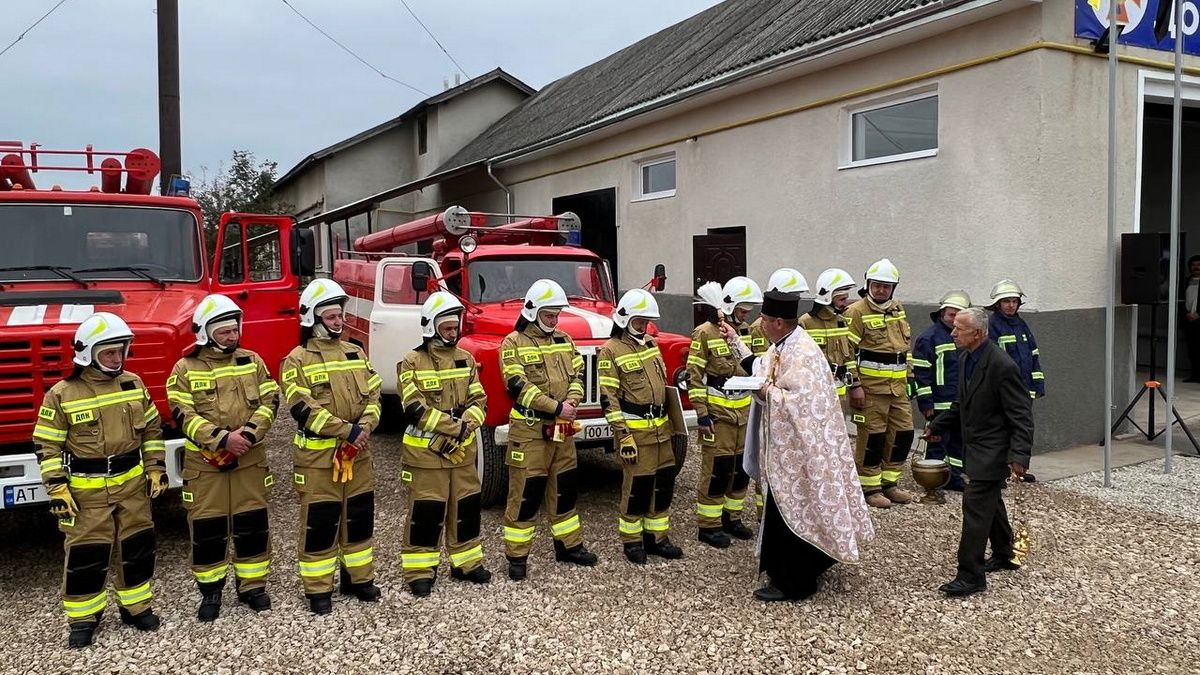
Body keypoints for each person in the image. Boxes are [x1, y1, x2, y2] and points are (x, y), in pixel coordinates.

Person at [727, 291, 874, 601]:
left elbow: (802, 402)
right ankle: (785, 571)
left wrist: (769, 393)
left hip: (803, 454)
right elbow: (761, 366)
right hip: (787, 452)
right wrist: (733, 341)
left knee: (799, 509)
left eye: (765, 320)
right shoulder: (783, 345)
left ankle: (795, 583)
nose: (761, 324)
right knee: (787, 510)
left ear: (779, 322)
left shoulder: (803, 351)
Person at [33, 312, 166, 648]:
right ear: (87, 353)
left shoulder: (133, 384)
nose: (117, 358)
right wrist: (57, 487)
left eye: (121, 351)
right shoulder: (62, 394)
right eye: (109, 352)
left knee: (136, 549)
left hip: (133, 486)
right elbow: (47, 446)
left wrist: (155, 467)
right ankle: (83, 619)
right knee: (87, 556)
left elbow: (152, 431)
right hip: (86, 493)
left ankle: (135, 607)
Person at [167, 294, 280, 621]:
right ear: (205, 332)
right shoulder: (185, 368)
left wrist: (246, 435)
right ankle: (211, 592)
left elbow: (271, 400)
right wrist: (221, 440)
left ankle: (253, 587)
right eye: (225, 332)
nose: (233, 336)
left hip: (249, 459)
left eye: (235, 330)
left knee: (252, 524)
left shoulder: (252, 361)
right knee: (208, 530)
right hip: (206, 466)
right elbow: (181, 412)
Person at [281, 280, 383, 614]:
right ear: (312, 318)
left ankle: (359, 579)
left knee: (358, 517)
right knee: (320, 522)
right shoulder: (296, 359)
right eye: (332, 316)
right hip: (319, 456)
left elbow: (374, 394)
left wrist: (365, 427)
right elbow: (303, 407)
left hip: (358, 452)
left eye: (340, 315)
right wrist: (347, 431)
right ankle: (318, 589)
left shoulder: (355, 351)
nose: (339, 321)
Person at [925, 307, 1033, 597]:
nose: (952, 333)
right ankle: (1004, 552)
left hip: (993, 450)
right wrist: (938, 425)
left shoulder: (1002, 366)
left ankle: (970, 575)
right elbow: (963, 403)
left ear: (978, 333)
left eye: (959, 329)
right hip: (976, 446)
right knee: (990, 502)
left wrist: (1019, 456)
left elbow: (1021, 414)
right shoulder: (965, 357)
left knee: (974, 509)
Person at [498, 280, 598, 581]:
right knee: (525, 493)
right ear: (532, 312)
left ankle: (568, 545)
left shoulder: (564, 340)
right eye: (549, 315)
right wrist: (555, 408)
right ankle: (517, 557)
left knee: (565, 488)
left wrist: (571, 401)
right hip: (530, 431)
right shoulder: (512, 343)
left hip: (561, 430)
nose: (554, 321)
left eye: (556, 315)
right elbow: (517, 387)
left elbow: (579, 374)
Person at [397, 291, 492, 596]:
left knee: (465, 508)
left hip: (461, 452)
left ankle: (466, 563)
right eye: (447, 328)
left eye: (455, 327)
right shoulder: (411, 361)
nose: (453, 332)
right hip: (425, 454)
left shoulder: (466, 358)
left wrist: (467, 425)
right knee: (426, 512)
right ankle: (419, 572)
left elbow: (480, 399)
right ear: (431, 327)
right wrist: (456, 427)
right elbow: (414, 407)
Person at [598, 289, 685, 564]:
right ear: (625, 319)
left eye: (645, 322)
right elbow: (608, 399)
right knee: (637, 488)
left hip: (662, 430)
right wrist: (623, 437)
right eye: (638, 321)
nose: (643, 326)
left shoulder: (649, 344)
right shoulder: (610, 350)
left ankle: (657, 537)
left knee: (662, 486)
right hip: (637, 433)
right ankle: (633, 541)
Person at [688, 276, 761, 547]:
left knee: (740, 469)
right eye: (742, 311)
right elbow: (694, 377)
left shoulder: (745, 333)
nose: (745, 316)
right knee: (717, 470)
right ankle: (709, 525)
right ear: (728, 306)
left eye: (748, 312)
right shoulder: (704, 333)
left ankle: (733, 517)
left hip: (744, 413)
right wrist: (702, 414)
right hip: (718, 415)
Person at [844, 259, 916, 508]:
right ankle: (870, 486)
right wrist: (855, 386)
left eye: (887, 287)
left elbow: (905, 348)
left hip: (898, 389)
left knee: (903, 434)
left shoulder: (897, 308)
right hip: (871, 390)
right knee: (873, 438)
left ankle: (890, 483)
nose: (881, 291)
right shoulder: (856, 312)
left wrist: (911, 377)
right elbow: (847, 353)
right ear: (868, 284)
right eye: (877, 285)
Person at [912, 290, 971, 491]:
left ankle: (953, 478)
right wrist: (926, 403)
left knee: (957, 443)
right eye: (951, 313)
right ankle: (932, 479)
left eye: (958, 314)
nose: (953, 318)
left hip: (958, 402)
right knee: (936, 441)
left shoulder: (962, 338)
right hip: (938, 403)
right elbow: (921, 374)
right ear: (942, 312)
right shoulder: (928, 338)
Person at [801, 268, 860, 402]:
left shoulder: (842, 322)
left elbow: (849, 357)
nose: (845, 303)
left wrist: (855, 384)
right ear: (828, 298)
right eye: (841, 299)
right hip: (814, 393)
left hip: (840, 392)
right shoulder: (805, 323)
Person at [986, 280, 1044, 400]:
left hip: (1025, 390)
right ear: (997, 304)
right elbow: (990, 360)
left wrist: (1038, 385)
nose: (1011, 305)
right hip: (1004, 391)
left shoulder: (1021, 325)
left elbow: (1033, 355)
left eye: (1014, 301)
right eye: (1006, 301)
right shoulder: (992, 325)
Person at [1182, 256, 1200, 382]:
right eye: (1194, 265)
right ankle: (1194, 375)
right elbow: (1180, 300)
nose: (1196, 267)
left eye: (1199, 265)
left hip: (1199, 318)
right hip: (1189, 320)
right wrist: (1186, 313)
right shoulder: (1186, 281)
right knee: (1192, 349)